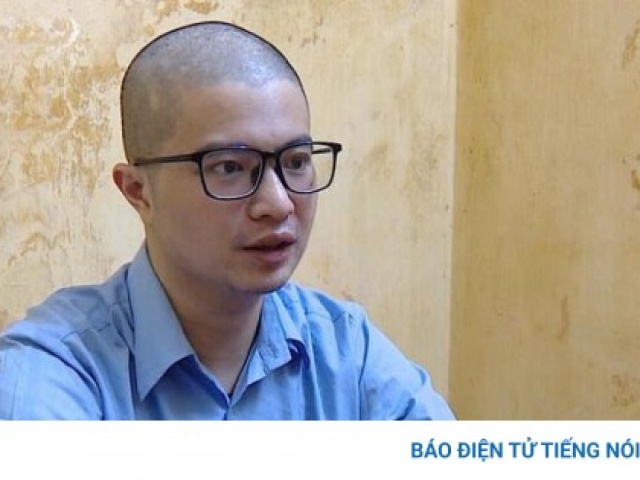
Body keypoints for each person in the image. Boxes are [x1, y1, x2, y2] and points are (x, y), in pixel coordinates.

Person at [0, 21, 454, 420]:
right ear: (138, 191)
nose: (278, 204)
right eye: (230, 167)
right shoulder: (58, 369)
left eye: (296, 161)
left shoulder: (345, 350)